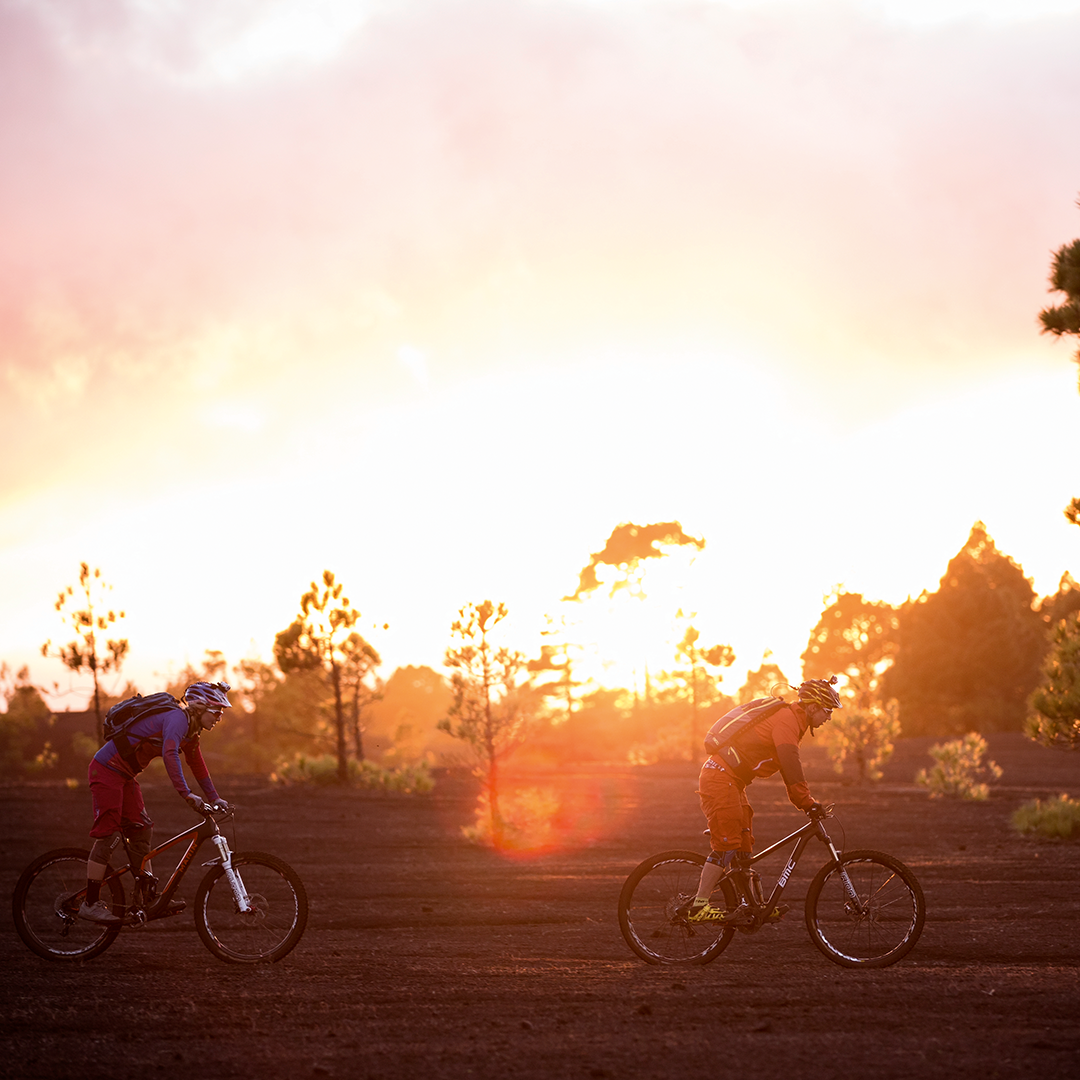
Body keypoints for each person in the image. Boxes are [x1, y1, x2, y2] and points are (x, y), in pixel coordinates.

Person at [686, 677, 843, 922]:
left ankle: (750, 906)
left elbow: (788, 769)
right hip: (720, 778)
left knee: (743, 844)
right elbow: (790, 766)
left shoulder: (793, 722)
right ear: (813, 707)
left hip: (732, 781)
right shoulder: (787, 721)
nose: (829, 717)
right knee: (727, 842)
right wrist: (806, 802)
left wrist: (804, 801)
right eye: (827, 710)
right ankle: (699, 907)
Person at [79, 680, 233, 924]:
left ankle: (148, 898)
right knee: (109, 834)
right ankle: (90, 904)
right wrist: (186, 794)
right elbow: (170, 754)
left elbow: (196, 763)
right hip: (106, 770)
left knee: (141, 830)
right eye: (216, 711)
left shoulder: (191, 731)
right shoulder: (177, 719)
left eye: (222, 712)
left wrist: (214, 797)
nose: (219, 717)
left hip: (125, 775)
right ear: (200, 707)